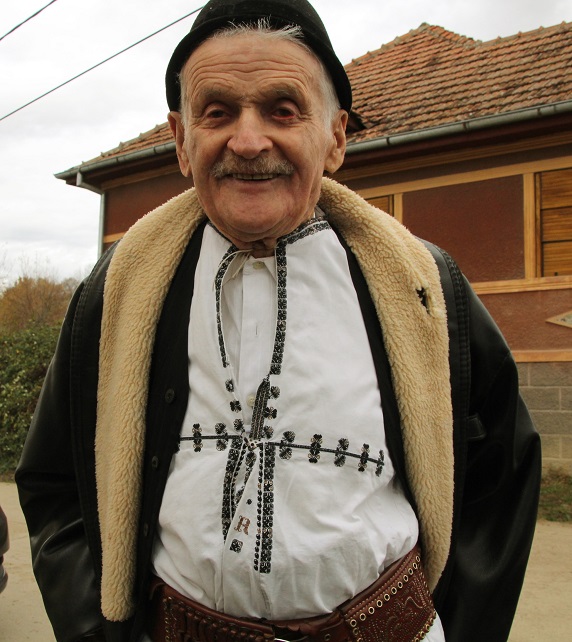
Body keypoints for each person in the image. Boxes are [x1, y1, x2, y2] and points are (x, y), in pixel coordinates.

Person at [16, 1, 541, 641]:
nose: (248, 141)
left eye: (283, 110)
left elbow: (500, 480)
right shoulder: (119, 291)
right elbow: (55, 485)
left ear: (336, 137)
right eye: (217, 112)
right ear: (181, 141)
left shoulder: (424, 289)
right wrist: (96, 632)